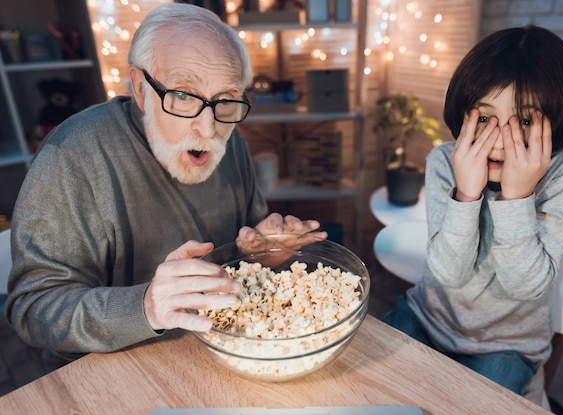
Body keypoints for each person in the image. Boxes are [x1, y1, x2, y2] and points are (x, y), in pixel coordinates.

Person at [5, 3, 326, 372]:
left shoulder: (231, 141)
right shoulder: (73, 155)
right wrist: (146, 306)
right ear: (141, 89)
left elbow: (246, 257)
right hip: (108, 371)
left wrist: (263, 250)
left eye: (225, 100)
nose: (208, 129)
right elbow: (33, 310)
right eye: (185, 95)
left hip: (222, 351)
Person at [382, 25, 563, 398]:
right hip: (428, 318)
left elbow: (524, 287)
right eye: (484, 117)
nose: (499, 139)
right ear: (463, 114)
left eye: (524, 121)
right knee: (371, 388)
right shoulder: (445, 160)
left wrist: (517, 195)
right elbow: (448, 274)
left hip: (508, 346)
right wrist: (466, 192)